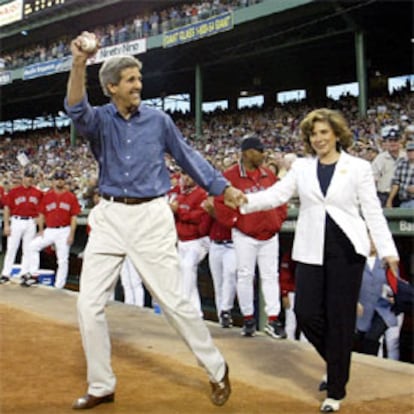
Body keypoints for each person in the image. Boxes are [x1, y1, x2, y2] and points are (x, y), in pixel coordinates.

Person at [64, 31, 242, 410]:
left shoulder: (158, 120)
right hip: (110, 215)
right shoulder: (99, 121)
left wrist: (220, 187)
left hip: (150, 215)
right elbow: (76, 108)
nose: (137, 85)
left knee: (174, 301)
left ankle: (215, 368)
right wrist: (79, 61)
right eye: (130, 80)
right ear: (111, 87)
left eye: (138, 79)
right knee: (88, 304)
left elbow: (187, 156)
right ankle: (101, 384)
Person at [238, 108, 399, 412]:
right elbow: (276, 195)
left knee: (340, 319)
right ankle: (337, 361)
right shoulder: (301, 168)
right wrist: (245, 201)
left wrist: (389, 251)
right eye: (314, 134)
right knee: (306, 312)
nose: (319, 138)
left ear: (337, 134)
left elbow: (372, 212)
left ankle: (335, 392)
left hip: (347, 251)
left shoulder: (359, 167)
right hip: (311, 249)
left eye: (324, 132)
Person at [215, 135, 288, 339]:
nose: (263, 155)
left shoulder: (267, 174)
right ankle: (248, 318)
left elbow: (281, 199)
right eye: (259, 151)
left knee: (270, 276)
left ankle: (272, 320)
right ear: (247, 153)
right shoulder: (230, 176)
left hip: (269, 235)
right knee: (245, 275)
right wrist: (237, 220)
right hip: (245, 235)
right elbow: (219, 204)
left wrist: (278, 219)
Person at [21, 169, 81, 288]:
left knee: (62, 260)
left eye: (61, 179)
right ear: (53, 181)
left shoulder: (71, 197)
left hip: (64, 230)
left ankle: (59, 285)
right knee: (32, 246)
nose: (59, 182)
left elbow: (74, 217)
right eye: (57, 179)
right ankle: (33, 275)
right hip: (50, 229)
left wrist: (71, 234)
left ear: (64, 181)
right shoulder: (47, 196)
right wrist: (41, 229)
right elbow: (42, 214)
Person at [170, 173, 210, 315]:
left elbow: (198, 216)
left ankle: (184, 307)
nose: (186, 178)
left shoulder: (201, 194)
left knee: (187, 268)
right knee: (185, 273)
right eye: (184, 175)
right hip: (182, 240)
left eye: (189, 175)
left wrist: (178, 211)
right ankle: (196, 311)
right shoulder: (180, 196)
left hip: (198, 241)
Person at [355, 239, 399, 356]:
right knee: (358, 341)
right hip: (361, 310)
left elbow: (396, 285)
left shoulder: (386, 261)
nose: (372, 243)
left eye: (375, 240)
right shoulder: (356, 261)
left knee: (371, 340)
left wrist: (394, 296)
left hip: (383, 310)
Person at [0, 167, 43, 284]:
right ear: (23, 178)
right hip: (17, 220)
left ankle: (24, 273)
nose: (29, 179)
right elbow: (7, 208)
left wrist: (40, 228)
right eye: (27, 176)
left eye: (31, 177)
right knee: (11, 248)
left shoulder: (38, 193)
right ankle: (5, 273)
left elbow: (40, 212)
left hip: (31, 222)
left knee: (28, 249)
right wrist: (7, 225)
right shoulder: (14, 192)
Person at [203, 196, 237, 328]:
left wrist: (215, 212)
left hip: (232, 245)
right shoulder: (213, 200)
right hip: (215, 245)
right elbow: (203, 229)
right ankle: (222, 317)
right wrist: (208, 213)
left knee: (230, 274)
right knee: (218, 284)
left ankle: (225, 310)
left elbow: (231, 222)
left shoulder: (232, 199)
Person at [371, 128, 405, 206]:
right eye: (390, 141)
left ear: (400, 142)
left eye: (395, 140)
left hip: (402, 196)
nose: (393, 143)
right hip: (384, 195)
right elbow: (373, 179)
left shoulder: (405, 156)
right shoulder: (380, 158)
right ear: (386, 142)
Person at [385, 141, 414, 208]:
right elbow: (396, 183)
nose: (411, 153)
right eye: (409, 151)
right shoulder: (402, 164)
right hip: (403, 201)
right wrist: (389, 200)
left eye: (413, 151)